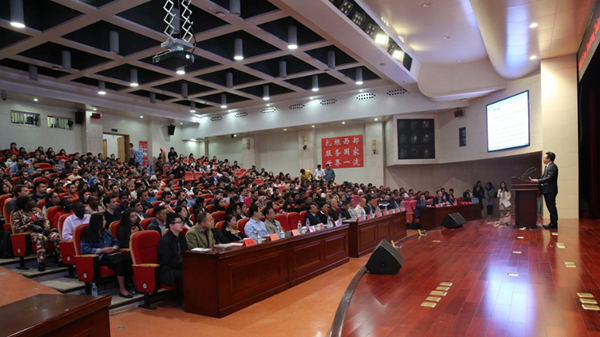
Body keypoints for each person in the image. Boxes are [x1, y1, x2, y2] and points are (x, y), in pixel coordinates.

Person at [80, 213, 133, 298]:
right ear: (97, 222)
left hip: (112, 253)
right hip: (99, 257)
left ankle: (130, 283)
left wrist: (114, 248)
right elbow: (84, 249)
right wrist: (102, 250)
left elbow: (116, 242)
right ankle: (122, 289)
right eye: (103, 220)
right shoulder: (87, 233)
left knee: (129, 258)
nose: (105, 222)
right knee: (121, 262)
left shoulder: (106, 232)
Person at [12, 196, 62, 271]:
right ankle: (41, 263)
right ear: (25, 204)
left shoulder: (37, 211)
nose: (33, 202)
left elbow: (46, 220)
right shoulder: (17, 214)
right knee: (41, 237)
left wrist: (47, 228)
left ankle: (60, 259)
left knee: (56, 236)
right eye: (30, 201)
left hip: (43, 231)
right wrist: (31, 223)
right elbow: (17, 229)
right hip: (29, 234)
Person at [157, 213, 188, 301]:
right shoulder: (164, 241)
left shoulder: (181, 237)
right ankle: (183, 301)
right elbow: (169, 261)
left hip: (180, 265)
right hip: (168, 270)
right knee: (186, 274)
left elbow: (186, 253)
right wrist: (185, 265)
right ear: (171, 226)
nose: (181, 224)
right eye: (179, 222)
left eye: (181, 222)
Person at [531, 152, 559, 229]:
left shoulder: (552, 167)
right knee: (550, 207)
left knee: (551, 207)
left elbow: (550, 178)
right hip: (547, 190)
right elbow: (544, 177)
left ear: (549, 159)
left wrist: (538, 181)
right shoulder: (547, 167)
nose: (543, 159)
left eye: (545, 157)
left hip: (550, 190)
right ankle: (552, 223)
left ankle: (554, 223)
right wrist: (538, 180)